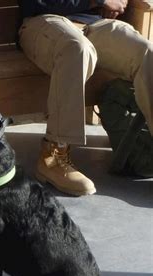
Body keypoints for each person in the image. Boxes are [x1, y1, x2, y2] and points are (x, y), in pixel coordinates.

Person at [17, 0, 152, 196]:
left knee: (147, 52)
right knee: (77, 48)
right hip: (44, 22)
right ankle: (53, 156)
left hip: (95, 24)